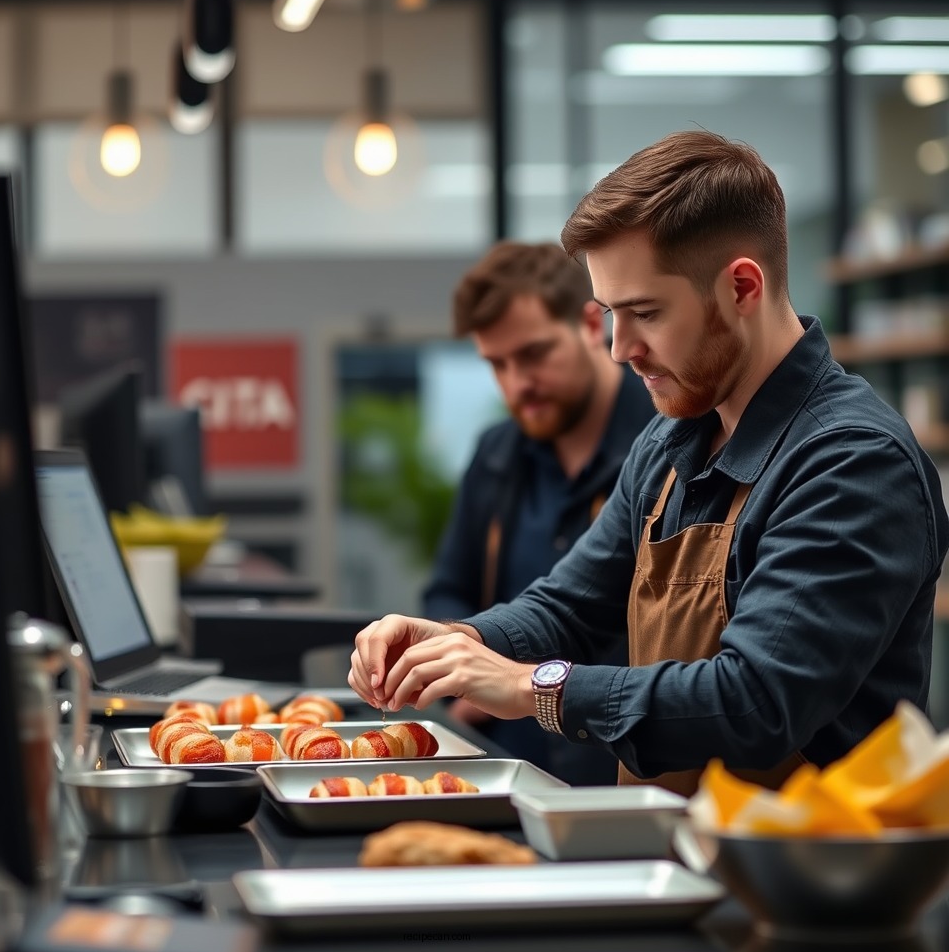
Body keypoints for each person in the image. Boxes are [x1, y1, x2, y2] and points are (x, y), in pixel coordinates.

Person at [348, 129, 949, 796]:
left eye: (645, 313)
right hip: (677, 862)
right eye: (610, 313)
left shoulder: (851, 462)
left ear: (741, 287)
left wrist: (533, 686)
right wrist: (453, 643)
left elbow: (754, 700)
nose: (618, 348)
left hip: (812, 884)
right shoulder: (671, 443)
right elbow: (570, 609)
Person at [423, 241, 655, 784]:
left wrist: (516, 679)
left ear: (591, 325)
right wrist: (461, 654)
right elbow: (449, 588)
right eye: (497, 364)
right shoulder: (497, 454)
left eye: (532, 354)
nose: (515, 384)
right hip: (500, 766)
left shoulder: (666, 446)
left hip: (617, 771)